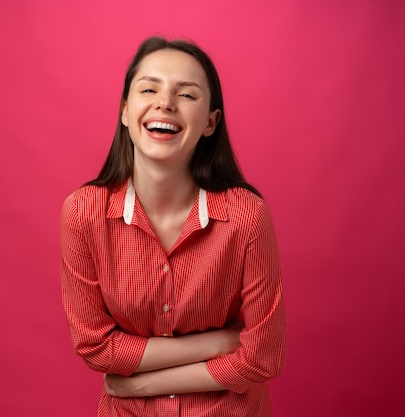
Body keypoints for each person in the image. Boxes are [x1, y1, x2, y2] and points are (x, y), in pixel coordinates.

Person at [60, 36, 285, 417]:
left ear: (211, 122)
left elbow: (263, 358)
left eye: (187, 95)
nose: (165, 102)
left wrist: (145, 382)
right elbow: (95, 347)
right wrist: (222, 342)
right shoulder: (83, 213)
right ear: (126, 110)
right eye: (149, 88)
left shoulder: (247, 216)